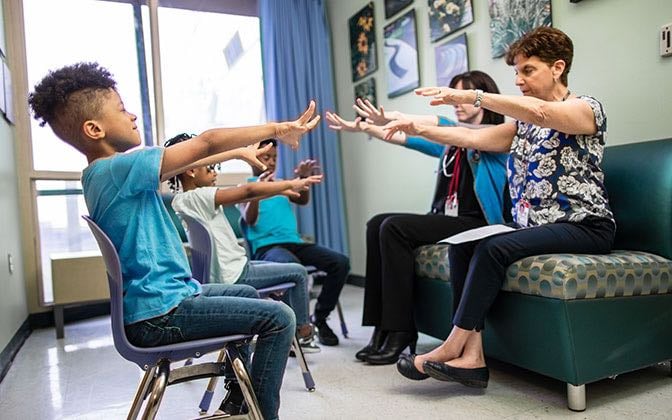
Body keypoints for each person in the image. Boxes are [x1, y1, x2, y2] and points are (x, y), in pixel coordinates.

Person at [28, 62, 320, 419]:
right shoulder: (118, 169)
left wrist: (237, 154)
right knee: (280, 316)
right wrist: (278, 128)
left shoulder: (105, 175)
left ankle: (238, 398)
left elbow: (192, 160)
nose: (133, 115)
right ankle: (259, 412)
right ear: (94, 129)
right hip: (162, 315)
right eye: (122, 110)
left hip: (165, 303)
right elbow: (204, 143)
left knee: (244, 294)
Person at [384, 27, 615, 388]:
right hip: (532, 226)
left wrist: (474, 96)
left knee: (494, 247)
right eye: (516, 72)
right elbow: (471, 137)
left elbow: (542, 111)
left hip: (586, 225)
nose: (519, 80)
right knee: (462, 246)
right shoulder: (523, 127)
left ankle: (451, 345)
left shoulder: (585, 109)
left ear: (558, 67)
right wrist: (417, 128)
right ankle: (472, 360)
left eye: (528, 70)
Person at [325, 71, 508, 365]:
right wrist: (362, 128)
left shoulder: (493, 137)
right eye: (453, 96)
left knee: (395, 227)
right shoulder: (449, 145)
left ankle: (401, 330)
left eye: (463, 95)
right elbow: (402, 137)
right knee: (377, 223)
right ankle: (381, 326)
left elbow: (446, 127)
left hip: (478, 223)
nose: (457, 102)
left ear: (482, 96)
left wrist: (399, 116)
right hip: (448, 219)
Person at [165, 133, 324, 353]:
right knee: (298, 273)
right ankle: (303, 334)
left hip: (236, 269)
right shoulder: (197, 197)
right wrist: (294, 182)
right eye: (210, 168)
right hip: (235, 275)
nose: (215, 173)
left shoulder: (183, 201)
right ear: (191, 171)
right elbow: (248, 191)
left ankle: (294, 329)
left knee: (284, 271)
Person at [241, 139, 351, 346]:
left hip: (295, 243)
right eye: (266, 157)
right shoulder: (245, 188)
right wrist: (257, 191)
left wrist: (303, 178)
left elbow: (301, 200)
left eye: (274, 157)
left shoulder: (280, 182)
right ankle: (299, 327)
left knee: (340, 262)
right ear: (252, 159)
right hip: (268, 248)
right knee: (294, 268)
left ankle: (320, 316)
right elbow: (249, 219)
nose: (272, 162)